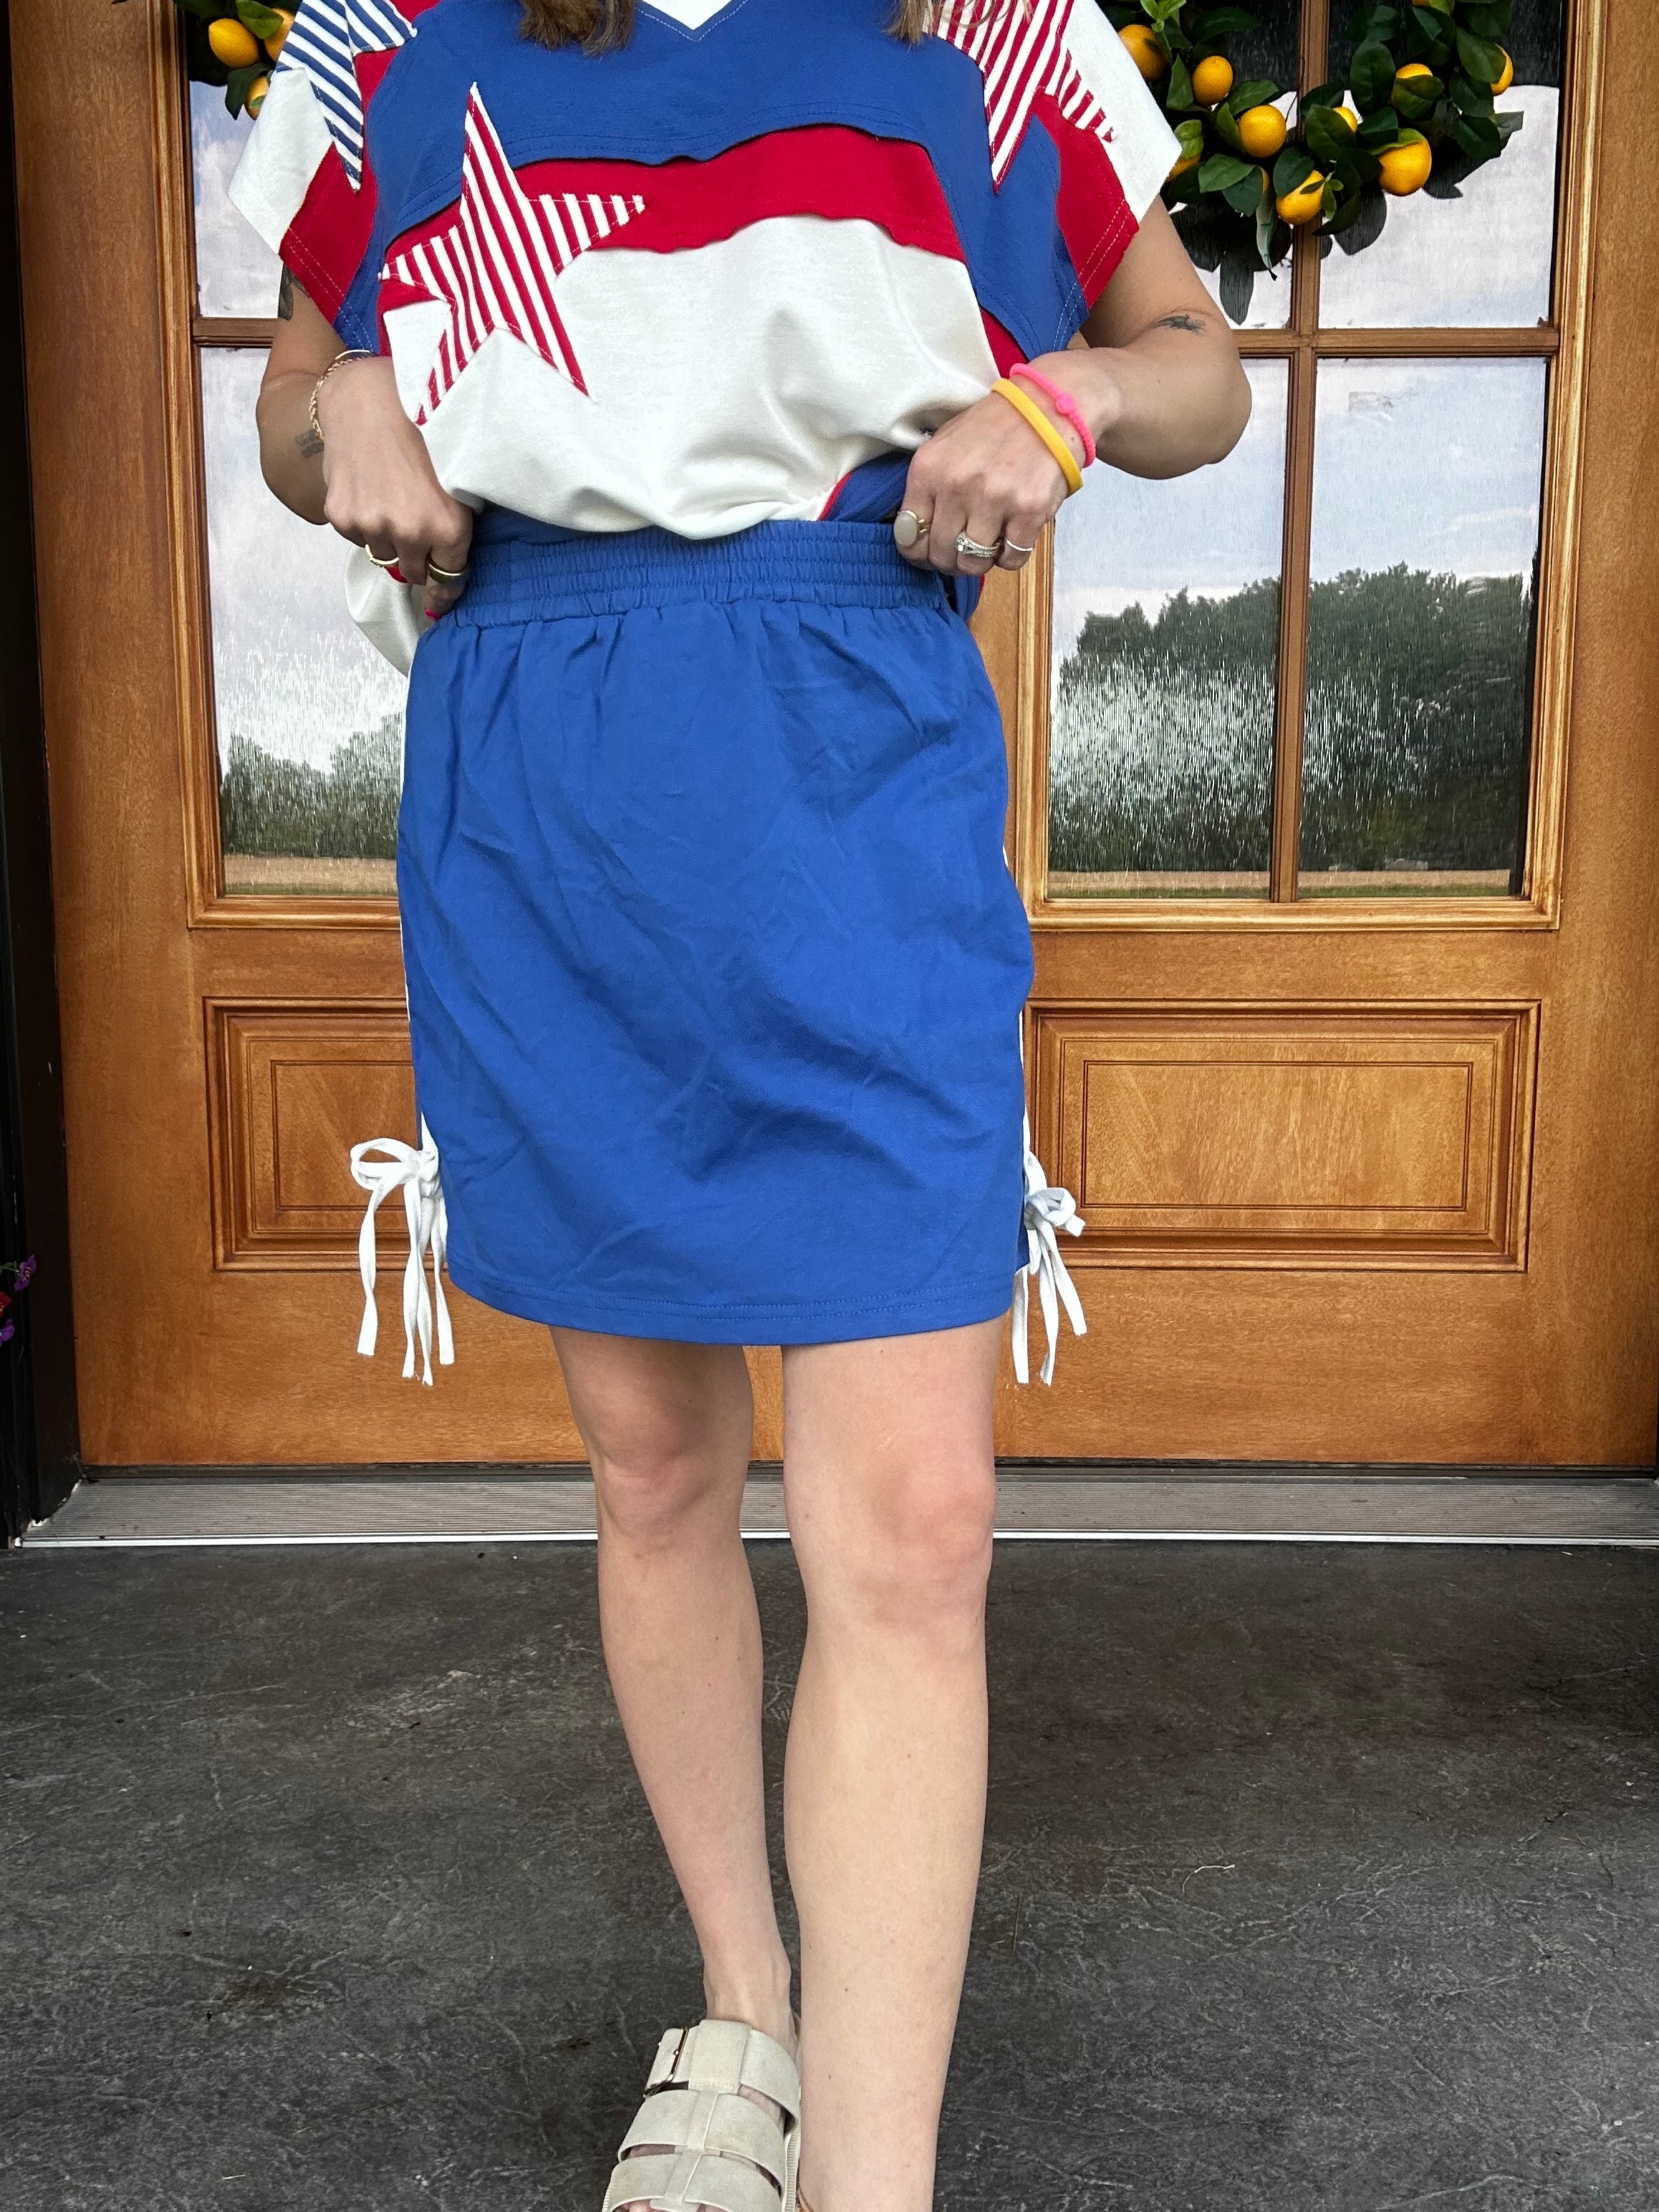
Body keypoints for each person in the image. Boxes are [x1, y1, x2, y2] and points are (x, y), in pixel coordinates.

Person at [231, 0, 1249, 2204]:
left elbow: (1194, 365)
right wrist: (348, 407)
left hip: (855, 745)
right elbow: (296, 408)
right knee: (659, 1465)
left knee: (917, 1522)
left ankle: (876, 2186)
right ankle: (745, 2012)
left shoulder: (989, 30)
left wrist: (1066, 397)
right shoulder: (394, 35)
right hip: (546, 765)